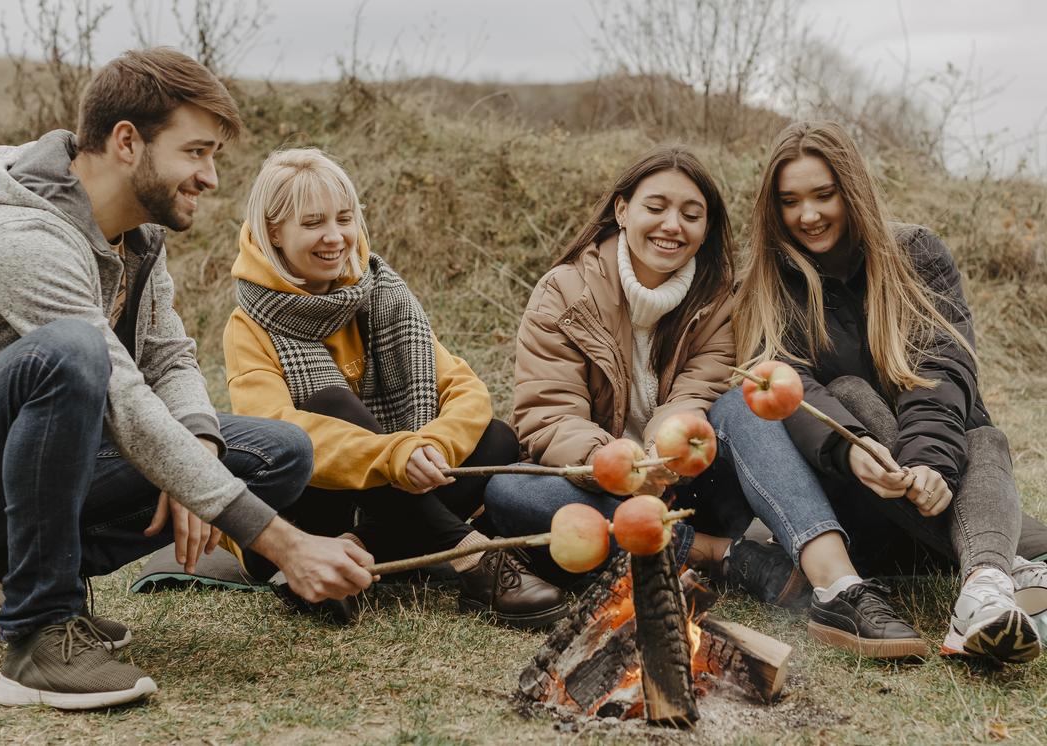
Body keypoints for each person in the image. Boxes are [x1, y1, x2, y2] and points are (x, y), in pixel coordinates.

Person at [0, 49, 376, 710]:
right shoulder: (18, 235)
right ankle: (35, 641)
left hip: (32, 459)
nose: (212, 177)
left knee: (278, 454)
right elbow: (124, 398)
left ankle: (17, 569)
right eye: (196, 152)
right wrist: (284, 544)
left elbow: (168, 359)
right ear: (127, 142)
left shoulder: (132, 237)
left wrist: (202, 448)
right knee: (73, 351)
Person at [710, 119, 1047, 662]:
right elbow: (788, 389)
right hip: (855, 499)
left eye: (824, 195)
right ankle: (1013, 564)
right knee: (849, 391)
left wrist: (929, 463)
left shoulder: (916, 254)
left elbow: (941, 366)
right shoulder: (769, 283)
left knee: (984, 437)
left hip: (941, 478)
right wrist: (853, 449)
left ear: (853, 189)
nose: (809, 215)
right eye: (791, 201)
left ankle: (984, 588)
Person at [223, 148, 567, 630]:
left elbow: (464, 390)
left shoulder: (380, 292)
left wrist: (426, 446)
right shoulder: (250, 324)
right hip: (298, 514)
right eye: (313, 223)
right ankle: (474, 558)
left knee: (496, 439)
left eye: (345, 218)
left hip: (374, 508)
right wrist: (391, 454)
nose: (335, 237)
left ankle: (353, 555)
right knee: (330, 404)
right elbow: (278, 434)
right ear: (274, 231)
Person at [483, 146, 763, 589]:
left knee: (743, 417)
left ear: (706, 230)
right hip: (599, 486)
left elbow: (699, 392)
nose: (673, 225)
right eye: (656, 207)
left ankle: (654, 549)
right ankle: (711, 553)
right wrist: (614, 465)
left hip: (684, 486)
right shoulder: (565, 291)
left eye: (692, 215)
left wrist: (660, 456)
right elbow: (549, 415)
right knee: (508, 491)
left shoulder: (719, 304)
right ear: (622, 210)